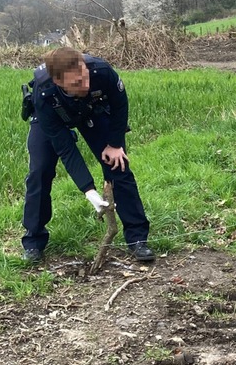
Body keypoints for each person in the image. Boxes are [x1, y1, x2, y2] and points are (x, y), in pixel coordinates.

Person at [21, 47, 155, 264]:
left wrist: (114, 144)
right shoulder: (44, 94)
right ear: (58, 82)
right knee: (40, 171)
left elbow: (120, 104)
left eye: (83, 77)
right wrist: (89, 190)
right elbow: (66, 149)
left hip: (91, 110)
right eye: (75, 83)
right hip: (53, 117)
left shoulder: (101, 71)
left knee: (117, 165)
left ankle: (137, 239)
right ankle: (34, 242)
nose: (84, 85)